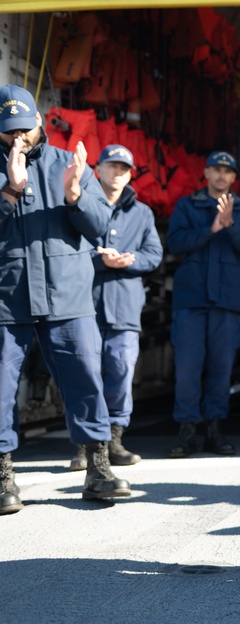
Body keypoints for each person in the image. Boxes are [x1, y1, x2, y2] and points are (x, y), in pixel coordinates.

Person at [0, 84, 130, 514]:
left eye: (24, 129)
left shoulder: (67, 164)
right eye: (8, 132)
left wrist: (75, 197)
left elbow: (100, 225)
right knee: (0, 388)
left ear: (40, 122)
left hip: (67, 295)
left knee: (84, 380)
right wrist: (10, 192)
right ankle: (3, 476)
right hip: (7, 298)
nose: (17, 139)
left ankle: (98, 468)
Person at [67, 144, 163, 472]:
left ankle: (114, 439)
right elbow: (65, 250)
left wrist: (130, 260)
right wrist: (100, 259)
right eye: (112, 166)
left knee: (120, 373)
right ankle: (83, 445)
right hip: (84, 305)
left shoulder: (142, 213)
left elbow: (154, 254)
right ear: (99, 168)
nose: (118, 172)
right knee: (84, 375)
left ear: (131, 173)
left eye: (124, 168)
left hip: (124, 308)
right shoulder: (80, 205)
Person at [166, 151, 240, 458]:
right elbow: (175, 244)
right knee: (188, 369)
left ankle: (215, 430)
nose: (221, 175)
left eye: (227, 171)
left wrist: (230, 224)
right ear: (205, 172)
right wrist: (212, 229)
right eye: (216, 169)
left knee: (221, 368)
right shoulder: (187, 205)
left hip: (228, 300)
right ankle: (187, 431)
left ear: (234, 178)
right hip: (191, 299)